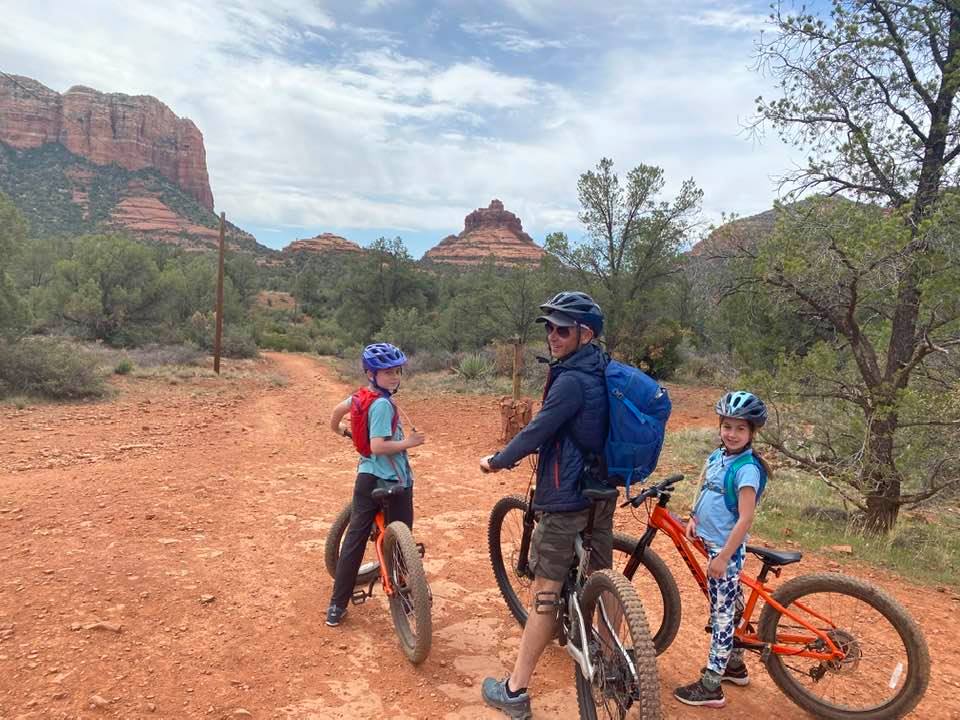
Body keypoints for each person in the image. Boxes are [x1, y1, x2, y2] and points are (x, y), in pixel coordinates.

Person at [479, 291, 611, 720]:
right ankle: (611, 661)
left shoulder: (571, 380)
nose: (553, 336)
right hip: (600, 492)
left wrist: (499, 460)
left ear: (584, 333)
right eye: (550, 328)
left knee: (544, 592)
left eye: (562, 329)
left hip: (567, 495)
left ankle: (515, 691)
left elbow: (538, 429)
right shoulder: (601, 367)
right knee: (603, 576)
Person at [674, 390, 773, 708]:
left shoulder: (747, 469)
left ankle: (712, 686)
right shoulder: (718, 457)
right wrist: (693, 516)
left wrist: (724, 557)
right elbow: (705, 486)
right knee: (731, 607)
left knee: (721, 617)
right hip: (712, 543)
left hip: (724, 551)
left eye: (740, 429)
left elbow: (745, 520)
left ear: (751, 433)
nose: (732, 434)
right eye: (727, 426)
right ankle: (734, 665)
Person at [324, 342, 426, 628]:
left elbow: (335, 412)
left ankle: (337, 605)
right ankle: (407, 593)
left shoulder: (361, 396)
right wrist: (410, 443)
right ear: (371, 373)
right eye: (387, 372)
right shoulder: (382, 404)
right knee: (402, 537)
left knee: (354, 540)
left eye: (397, 371)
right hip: (394, 480)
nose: (394, 377)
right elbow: (379, 446)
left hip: (366, 478)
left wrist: (341, 430)